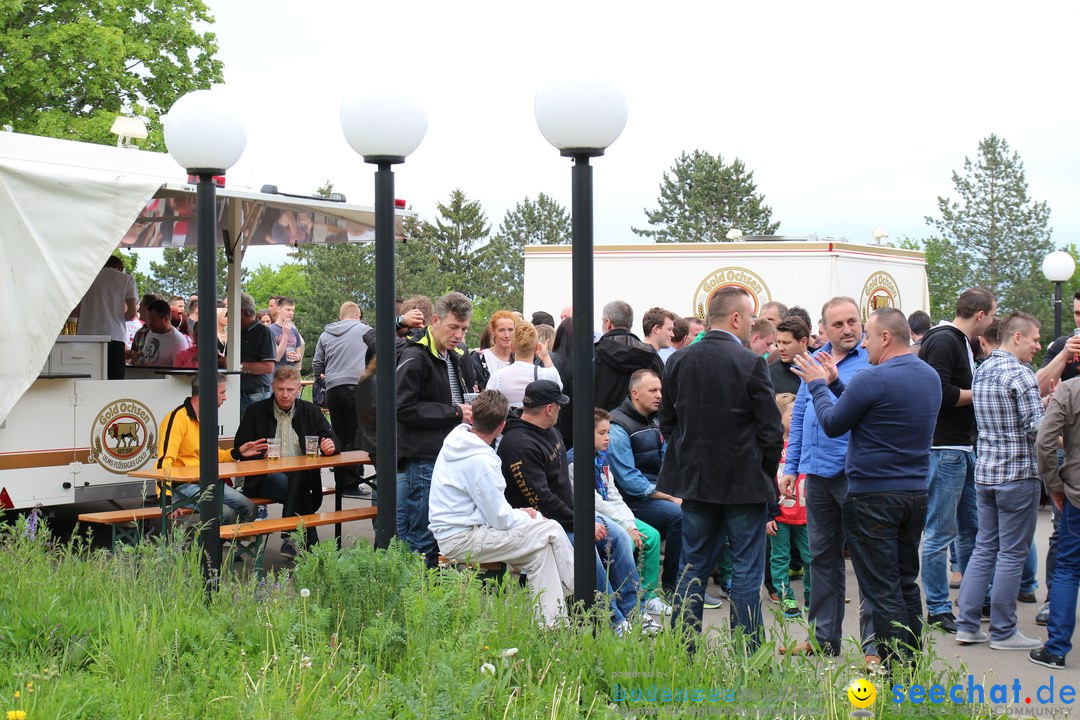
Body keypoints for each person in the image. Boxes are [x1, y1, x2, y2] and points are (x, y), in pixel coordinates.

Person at [791, 307, 941, 666]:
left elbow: (833, 423)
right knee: (905, 582)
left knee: (881, 586)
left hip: (874, 496)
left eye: (869, 336)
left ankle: (893, 668)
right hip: (914, 492)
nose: (865, 343)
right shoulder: (929, 376)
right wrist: (837, 384)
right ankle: (910, 663)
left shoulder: (873, 377)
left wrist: (817, 384)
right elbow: (873, 410)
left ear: (886, 337)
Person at [659, 286, 784, 651]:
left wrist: (689, 455)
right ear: (735, 318)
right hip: (743, 482)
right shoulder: (750, 363)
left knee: (693, 565)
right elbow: (771, 431)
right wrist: (764, 470)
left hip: (697, 482)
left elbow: (667, 422)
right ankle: (748, 653)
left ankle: (683, 648)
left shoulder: (678, 361)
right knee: (746, 569)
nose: (749, 325)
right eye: (747, 318)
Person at [499, 380, 657, 634]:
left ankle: (634, 611)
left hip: (570, 513)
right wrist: (581, 525)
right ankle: (612, 619)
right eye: (558, 406)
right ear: (549, 408)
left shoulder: (550, 430)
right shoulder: (519, 444)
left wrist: (584, 517)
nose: (561, 410)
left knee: (617, 535)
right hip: (544, 523)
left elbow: (563, 488)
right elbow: (542, 499)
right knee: (586, 550)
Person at [428, 389, 575, 628]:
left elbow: (493, 513)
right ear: (503, 425)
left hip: (456, 532)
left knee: (541, 553)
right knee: (551, 529)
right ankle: (583, 595)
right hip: (462, 539)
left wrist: (521, 515)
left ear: (472, 418)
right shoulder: (482, 461)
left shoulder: (455, 442)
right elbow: (500, 519)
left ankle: (554, 627)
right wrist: (529, 514)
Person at [782, 296, 876, 661]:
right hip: (818, 475)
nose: (848, 329)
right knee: (821, 559)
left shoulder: (871, 363)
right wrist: (792, 468)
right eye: (838, 324)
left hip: (857, 476)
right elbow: (802, 417)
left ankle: (874, 647)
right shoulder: (813, 363)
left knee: (868, 561)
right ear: (824, 329)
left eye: (852, 321)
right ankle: (824, 640)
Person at [956, 312, 1045, 651]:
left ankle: (967, 624)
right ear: (1017, 337)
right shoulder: (1021, 376)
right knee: (1011, 553)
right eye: (1035, 339)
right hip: (1018, 474)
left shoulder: (982, 371)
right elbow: (1037, 430)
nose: (1038, 346)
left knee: (984, 549)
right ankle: (1004, 631)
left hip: (987, 472)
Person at [919, 288, 997, 634]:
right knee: (940, 532)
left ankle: (974, 599)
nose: (993, 322)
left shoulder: (959, 341)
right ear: (980, 314)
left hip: (961, 449)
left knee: (973, 528)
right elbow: (936, 390)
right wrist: (981, 394)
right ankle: (937, 608)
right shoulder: (945, 340)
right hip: (944, 449)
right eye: (992, 315)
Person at [396, 291, 476, 567]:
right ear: (434, 320)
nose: (458, 334)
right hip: (425, 458)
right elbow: (403, 408)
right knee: (424, 534)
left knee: (443, 532)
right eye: (453, 327)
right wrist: (455, 412)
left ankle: (430, 592)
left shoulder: (455, 356)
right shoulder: (415, 354)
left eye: (463, 329)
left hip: (450, 454)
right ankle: (414, 596)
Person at [569, 408, 671, 617]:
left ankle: (648, 595)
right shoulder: (575, 461)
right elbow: (595, 501)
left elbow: (613, 494)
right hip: (598, 515)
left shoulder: (601, 458)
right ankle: (627, 599)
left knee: (651, 536)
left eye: (608, 433)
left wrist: (631, 523)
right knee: (623, 538)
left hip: (615, 513)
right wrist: (625, 526)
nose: (608, 438)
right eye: (602, 433)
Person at [234, 366, 341, 557]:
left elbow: (333, 440)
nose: (285, 395)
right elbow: (240, 448)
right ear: (272, 387)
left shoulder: (311, 411)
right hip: (265, 478)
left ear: (298, 390)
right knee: (297, 488)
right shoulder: (255, 411)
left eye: (290, 390)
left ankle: (294, 539)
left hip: (304, 478)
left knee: (298, 479)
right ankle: (306, 545)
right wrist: (259, 455)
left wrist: (330, 447)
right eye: (280, 389)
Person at [608, 369, 684, 597]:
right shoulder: (618, 427)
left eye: (660, 389)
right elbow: (630, 481)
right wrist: (671, 496)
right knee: (680, 515)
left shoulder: (655, 419)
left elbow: (668, 462)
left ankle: (689, 582)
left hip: (656, 492)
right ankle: (673, 587)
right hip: (631, 500)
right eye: (653, 390)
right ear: (635, 393)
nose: (659, 395)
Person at [156, 373, 266, 524]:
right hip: (180, 487)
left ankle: (210, 541)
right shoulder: (177, 418)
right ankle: (199, 543)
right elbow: (164, 462)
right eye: (222, 392)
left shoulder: (206, 418)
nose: (225, 397)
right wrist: (166, 500)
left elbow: (213, 456)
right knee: (226, 514)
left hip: (205, 482)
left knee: (250, 508)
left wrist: (237, 452)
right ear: (207, 392)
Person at [1031, 373, 1080, 669]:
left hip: (1076, 495)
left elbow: (1044, 442)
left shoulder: (1069, 391)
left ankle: (1057, 648)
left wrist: (1054, 488)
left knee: (1068, 568)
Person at [312, 301, 375, 496]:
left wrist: (322, 376)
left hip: (333, 389)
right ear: (357, 316)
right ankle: (352, 483)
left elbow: (317, 363)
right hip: (359, 387)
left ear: (341, 317)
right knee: (357, 434)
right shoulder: (366, 331)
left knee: (338, 435)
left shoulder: (325, 335)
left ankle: (342, 483)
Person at [767, 392, 811, 618]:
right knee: (780, 558)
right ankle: (786, 597)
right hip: (780, 514)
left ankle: (813, 598)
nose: (799, 419)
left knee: (811, 557)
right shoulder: (772, 446)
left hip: (806, 514)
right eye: (794, 415)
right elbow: (764, 480)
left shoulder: (808, 443)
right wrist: (768, 514)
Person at [75, 255, 138, 379]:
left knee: (87, 381)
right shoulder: (127, 279)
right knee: (114, 383)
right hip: (114, 337)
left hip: (86, 337)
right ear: (119, 267)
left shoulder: (84, 278)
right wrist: (115, 317)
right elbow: (132, 313)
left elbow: (76, 311)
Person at [594, 300, 665, 411]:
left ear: (608, 323)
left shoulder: (594, 354)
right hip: (641, 423)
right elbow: (663, 393)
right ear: (630, 323)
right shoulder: (650, 356)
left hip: (601, 423)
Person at [488, 321, 562, 408]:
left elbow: (488, 404)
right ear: (536, 347)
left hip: (509, 420)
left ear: (511, 347)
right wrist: (546, 357)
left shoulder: (498, 376)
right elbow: (558, 388)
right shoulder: (547, 374)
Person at [236, 293, 276, 416]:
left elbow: (268, 367)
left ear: (242, 311)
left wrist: (236, 365)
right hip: (239, 394)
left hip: (255, 395)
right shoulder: (238, 332)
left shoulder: (263, 332)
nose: (229, 316)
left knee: (256, 434)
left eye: (231, 311)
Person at [131, 299, 189, 367]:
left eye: (153, 320)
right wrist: (136, 355)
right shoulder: (152, 331)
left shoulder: (178, 342)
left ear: (166, 319)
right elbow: (145, 355)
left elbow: (179, 372)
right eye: (148, 319)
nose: (149, 323)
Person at [471, 310, 516, 389]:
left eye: (510, 330)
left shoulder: (521, 356)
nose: (507, 335)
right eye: (501, 330)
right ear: (493, 331)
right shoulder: (479, 358)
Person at [770, 316, 810, 396]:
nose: (780, 348)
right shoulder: (769, 374)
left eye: (786, 343)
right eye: (778, 342)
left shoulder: (823, 366)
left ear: (803, 342)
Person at [269, 296, 304, 371]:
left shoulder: (294, 330)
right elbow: (277, 357)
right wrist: (285, 335)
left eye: (292, 310)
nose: (291, 313)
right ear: (279, 309)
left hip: (292, 375)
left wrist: (297, 357)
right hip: (277, 376)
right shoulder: (270, 330)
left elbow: (298, 354)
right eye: (288, 310)